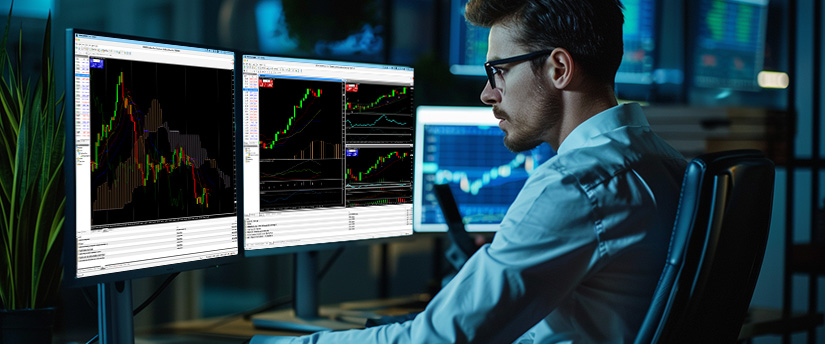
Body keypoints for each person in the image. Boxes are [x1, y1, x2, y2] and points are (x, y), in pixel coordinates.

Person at [251, 0, 686, 342]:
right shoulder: (663, 162)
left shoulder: (576, 186)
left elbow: (435, 339)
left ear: (558, 68)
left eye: (498, 71)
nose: (486, 93)